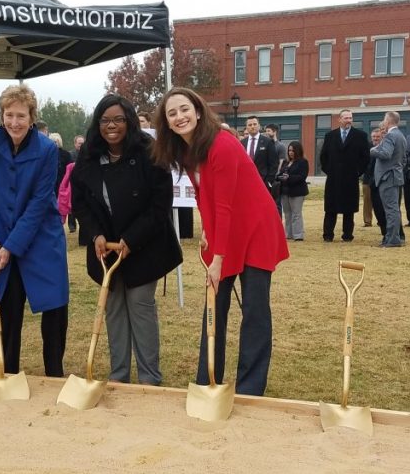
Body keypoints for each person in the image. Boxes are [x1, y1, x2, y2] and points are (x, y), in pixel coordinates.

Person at [152, 87, 289, 396]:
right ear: (167, 122)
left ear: (198, 111)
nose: (179, 117)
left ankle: (250, 388)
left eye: (184, 109)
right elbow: (204, 195)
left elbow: (226, 205)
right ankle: (207, 380)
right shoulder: (186, 150)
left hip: (255, 228)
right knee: (215, 304)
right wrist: (207, 229)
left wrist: (218, 259)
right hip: (228, 228)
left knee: (254, 308)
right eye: (172, 113)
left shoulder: (222, 144)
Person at [71, 94, 182, 386]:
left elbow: (160, 204)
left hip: (144, 244)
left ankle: (149, 378)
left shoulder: (149, 150)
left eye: (118, 119)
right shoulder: (89, 154)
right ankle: (118, 376)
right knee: (114, 308)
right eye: (105, 120)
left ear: (129, 121)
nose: (111, 126)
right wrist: (95, 233)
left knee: (140, 304)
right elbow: (80, 201)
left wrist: (131, 239)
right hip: (106, 248)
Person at [0, 84, 69, 378]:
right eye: (9, 115)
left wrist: (12, 246)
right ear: (1, 115)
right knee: (8, 305)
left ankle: (54, 372)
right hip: (0, 233)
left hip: (41, 237)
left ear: (32, 117)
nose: (14, 122)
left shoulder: (47, 149)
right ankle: (8, 371)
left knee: (54, 306)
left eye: (21, 116)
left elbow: (39, 202)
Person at [319, 109, 370, 242]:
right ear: (339, 119)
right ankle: (328, 235)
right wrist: (330, 171)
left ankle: (347, 235)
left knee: (349, 209)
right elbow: (323, 157)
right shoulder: (330, 136)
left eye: (350, 118)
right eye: (346, 118)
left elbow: (365, 158)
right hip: (333, 179)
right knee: (330, 209)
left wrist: (357, 172)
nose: (349, 120)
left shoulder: (360, 136)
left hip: (350, 179)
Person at [370, 112, 407, 247]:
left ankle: (392, 239)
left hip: (388, 177)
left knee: (391, 210)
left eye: (384, 119)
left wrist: (373, 150)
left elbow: (386, 154)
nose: (383, 122)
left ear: (388, 121)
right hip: (395, 176)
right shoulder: (401, 135)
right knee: (394, 209)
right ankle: (393, 237)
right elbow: (403, 158)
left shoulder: (391, 135)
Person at [278, 141, 309, 241]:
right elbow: (280, 173)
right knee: (287, 214)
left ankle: (298, 235)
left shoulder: (303, 162)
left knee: (296, 214)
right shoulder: (285, 162)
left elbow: (302, 177)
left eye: (293, 150)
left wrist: (289, 177)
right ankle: (289, 234)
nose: (290, 152)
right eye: (289, 150)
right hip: (285, 191)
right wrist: (280, 177)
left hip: (297, 192)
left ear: (298, 151)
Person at [240, 116, 279, 191]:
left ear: (259, 126)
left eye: (255, 124)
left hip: (263, 182)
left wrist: (268, 181)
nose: (252, 127)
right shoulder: (242, 143)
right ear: (246, 127)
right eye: (250, 125)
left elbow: (274, 163)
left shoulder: (268, 142)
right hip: (246, 182)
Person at [66, 135, 85, 234]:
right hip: (73, 182)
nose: (81, 145)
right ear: (75, 144)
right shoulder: (70, 154)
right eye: (79, 143)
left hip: (85, 182)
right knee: (72, 204)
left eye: (83, 143)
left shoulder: (88, 153)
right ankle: (72, 225)